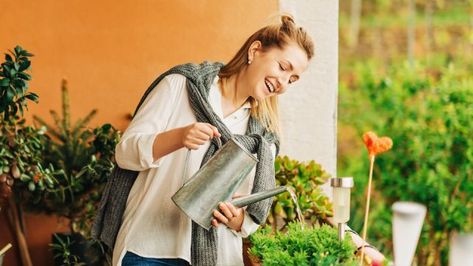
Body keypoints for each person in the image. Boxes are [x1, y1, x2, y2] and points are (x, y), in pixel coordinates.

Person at [92, 15, 314, 266]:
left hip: (217, 257)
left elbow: (249, 216)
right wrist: (177, 137)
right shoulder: (181, 86)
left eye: (292, 80)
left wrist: (236, 219)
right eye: (283, 68)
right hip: (148, 250)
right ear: (255, 51)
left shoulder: (263, 137)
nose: (283, 83)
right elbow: (125, 154)